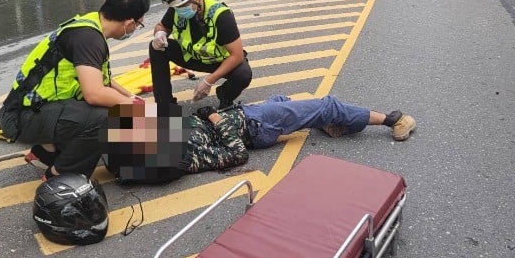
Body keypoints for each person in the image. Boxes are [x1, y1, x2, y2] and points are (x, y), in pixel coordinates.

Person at [0, 0, 151, 181]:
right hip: (21, 118)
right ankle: (59, 175)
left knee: (114, 109)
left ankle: (46, 153)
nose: (135, 28)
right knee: (107, 117)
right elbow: (95, 93)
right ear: (130, 23)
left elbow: (104, 80)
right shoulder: (89, 39)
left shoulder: (90, 24)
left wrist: (130, 97)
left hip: (31, 110)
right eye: (139, 24)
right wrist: (134, 109)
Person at [101, 95, 416, 183]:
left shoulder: (163, 139)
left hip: (249, 114)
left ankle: (325, 122)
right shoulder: (184, 158)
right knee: (325, 105)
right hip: (255, 127)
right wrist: (214, 117)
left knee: (285, 101)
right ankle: (392, 119)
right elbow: (237, 154)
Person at [149, 0, 252, 113]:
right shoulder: (177, 8)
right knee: (155, 48)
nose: (179, 10)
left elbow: (237, 55)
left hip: (218, 63)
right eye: (176, 7)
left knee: (243, 74)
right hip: (191, 57)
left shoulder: (221, 15)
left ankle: (225, 97)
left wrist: (208, 81)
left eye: (182, 6)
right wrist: (159, 35)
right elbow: (162, 26)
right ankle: (165, 105)